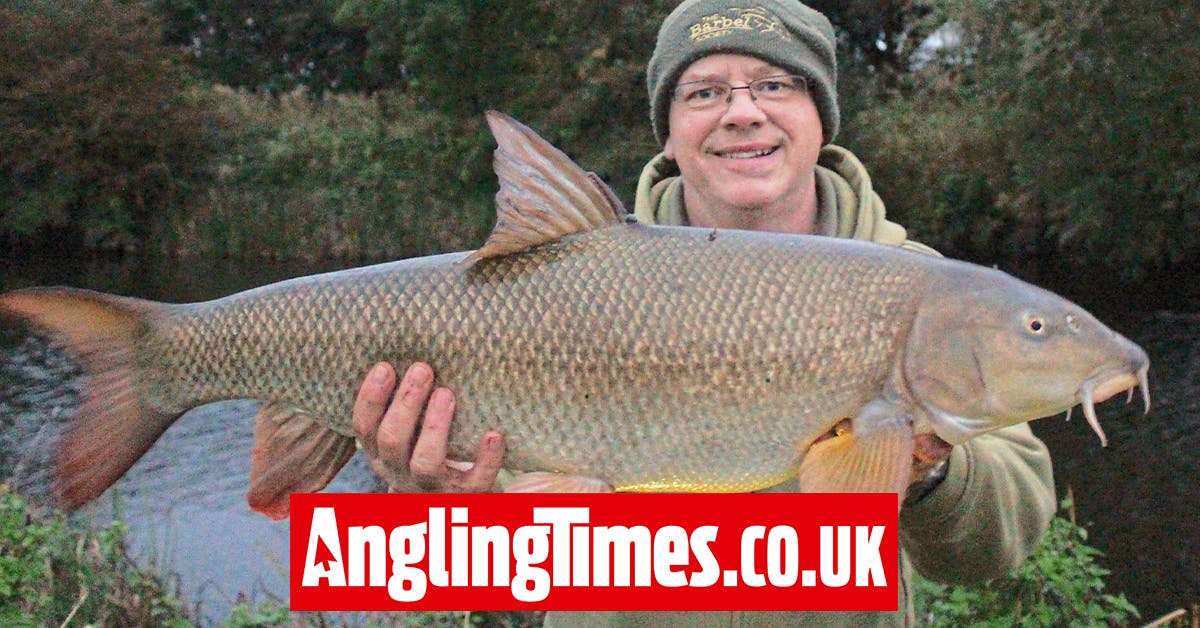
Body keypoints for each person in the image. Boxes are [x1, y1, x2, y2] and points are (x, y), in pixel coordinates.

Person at [351, 0, 1057, 625]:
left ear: (821, 117)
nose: (742, 110)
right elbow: (505, 579)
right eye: (704, 91)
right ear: (667, 131)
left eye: (775, 85)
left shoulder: (936, 297)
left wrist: (927, 471)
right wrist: (443, 505)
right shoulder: (556, 286)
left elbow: (1002, 541)